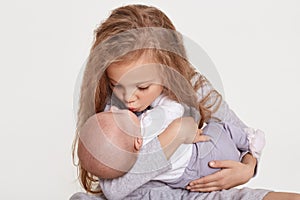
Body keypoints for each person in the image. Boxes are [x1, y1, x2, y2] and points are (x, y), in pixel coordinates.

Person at [71, 4, 300, 200]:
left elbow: (241, 132)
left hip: (193, 192)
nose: (129, 98)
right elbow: (114, 189)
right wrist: (173, 135)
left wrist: (248, 167)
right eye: (116, 85)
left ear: (168, 70)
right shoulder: (111, 112)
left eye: (142, 87)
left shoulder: (193, 88)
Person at [79, 95, 265, 190]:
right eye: (118, 114)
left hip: (189, 178)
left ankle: (247, 145)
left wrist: (249, 167)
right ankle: (250, 140)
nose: (115, 108)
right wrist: (161, 97)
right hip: (206, 153)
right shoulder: (148, 125)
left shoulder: (129, 159)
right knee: (219, 129)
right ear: (137, 141)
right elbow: (174, 109)